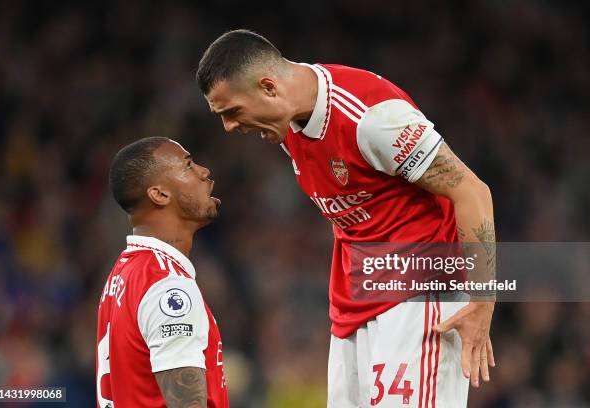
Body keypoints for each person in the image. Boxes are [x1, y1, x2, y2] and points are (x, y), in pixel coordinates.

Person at [196, 30, 496, 407]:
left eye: (232, 112)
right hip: (356, 304)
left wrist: (483, 300)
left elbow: (472, 191)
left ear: (269, 87)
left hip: (419, 293)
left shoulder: (373, 117)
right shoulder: (289, 122)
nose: (229, 127)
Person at [96, 137, 228, 408]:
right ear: (159, 194)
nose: (204, 172)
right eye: (188, 165)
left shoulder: (124, 274)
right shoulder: (166, 285)